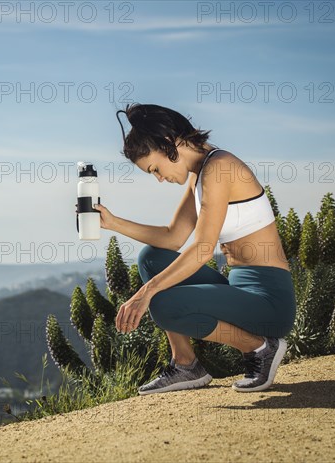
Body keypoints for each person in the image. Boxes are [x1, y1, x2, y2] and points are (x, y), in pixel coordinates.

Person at [94, 103, 296, 395]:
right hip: (239, 290)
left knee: (162, 303)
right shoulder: (199, 174)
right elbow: (173, 237)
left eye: (155, 169)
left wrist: (145, 292)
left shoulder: (220, 166)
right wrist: (113, 223)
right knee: (152, 257)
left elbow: (202, 248)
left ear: (168, 144)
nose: (159, 178)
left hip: (269, 302)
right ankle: (186, 364)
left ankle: (261, 348)